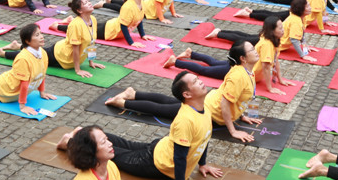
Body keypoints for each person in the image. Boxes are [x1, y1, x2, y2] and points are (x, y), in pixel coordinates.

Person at [56, 71, 224, 180]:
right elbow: (179, 158)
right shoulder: (185, 120)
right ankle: (71, 142)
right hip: (157, 164)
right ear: (187, 94)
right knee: (116, 153)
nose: (200, 81)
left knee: (122, 144)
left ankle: (80, 134)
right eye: (195, 81)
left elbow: (204, 138)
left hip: (160, 148)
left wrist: (203, 164)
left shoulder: (204, 110)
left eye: (197, 78)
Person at [113, 41, 264, 143]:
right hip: (206, 109)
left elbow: (237, 97)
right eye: (252, 49)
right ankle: (123, 102)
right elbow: (225, 104)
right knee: (163, 109)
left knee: (169, 102)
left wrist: (240, 114)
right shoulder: (238, 75)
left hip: (208, 102)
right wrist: (233, 131)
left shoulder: (246, 71)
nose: (256, 51)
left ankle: (133, 94)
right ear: (243, 58)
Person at [51, 0, 155, 49]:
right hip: (108, 31)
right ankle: (57, 26)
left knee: (86, 26)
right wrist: (131, 43)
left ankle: (68, 21)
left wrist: (143, 35)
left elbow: (139, 20)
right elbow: (123, 26)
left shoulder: (141, 2)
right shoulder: (128, 6)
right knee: (82, 31)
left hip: (111, 26)